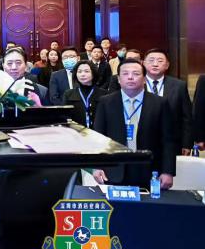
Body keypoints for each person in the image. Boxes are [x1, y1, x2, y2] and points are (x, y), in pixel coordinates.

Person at [92, 59, 176, 190]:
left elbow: (168, 140)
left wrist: (168, 171)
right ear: (118, 79)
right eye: (125, 74)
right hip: (113, 170)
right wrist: (96, 166)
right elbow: (98, 137)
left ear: (144, 79)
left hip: (149, 170)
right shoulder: (105, 102)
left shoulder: (160, 103)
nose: (130, 77)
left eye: (136, 73)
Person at [143, 48, 193, 155]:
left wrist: (187, 144)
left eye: (160, 61)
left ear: (167, 65)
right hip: (143, 141)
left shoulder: (179, 86)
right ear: (143, 63)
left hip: (171, 142)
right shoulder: (136, 84)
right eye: (151, 60)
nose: (155, 64)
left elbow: (186, 117)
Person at [63, 61, 100, 128]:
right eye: (79, 72)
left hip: (98, 133)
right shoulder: (68, 94)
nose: (82, 74)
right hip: (76, 132)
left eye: (86, 71)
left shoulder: (103, 94)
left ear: (93, 73)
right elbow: (65, 118)